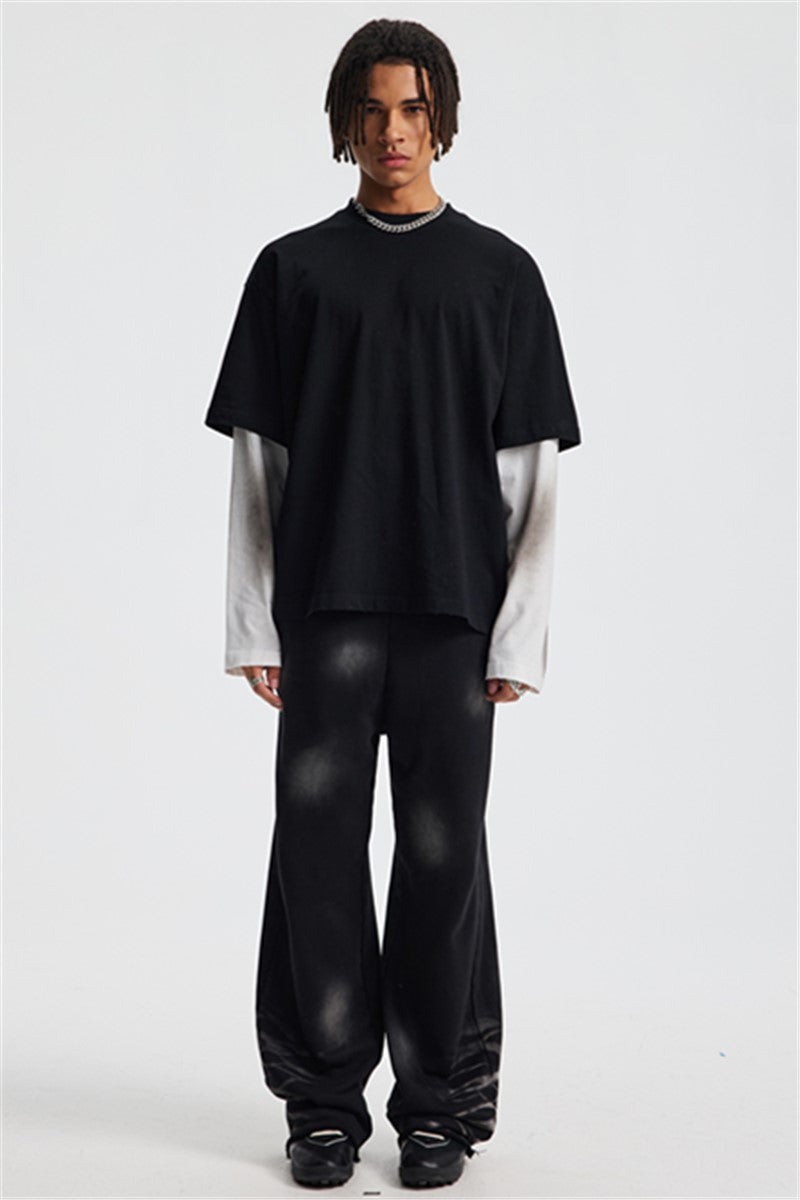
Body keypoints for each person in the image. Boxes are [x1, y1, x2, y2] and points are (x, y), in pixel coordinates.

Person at [204, 17, 582, 1190]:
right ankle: (320, 1104)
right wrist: (252, 622)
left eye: (412, 109)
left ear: (442, 120)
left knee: (442, 861)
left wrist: (517, 635)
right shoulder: (292, 272)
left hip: (452, 623)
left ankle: (439, 1106)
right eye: (369, 111)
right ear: (343, 124)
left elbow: (529, 474)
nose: (392, 132)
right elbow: (259, 465)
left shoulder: (501, 275)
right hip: (323, 613)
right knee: (314, 856)